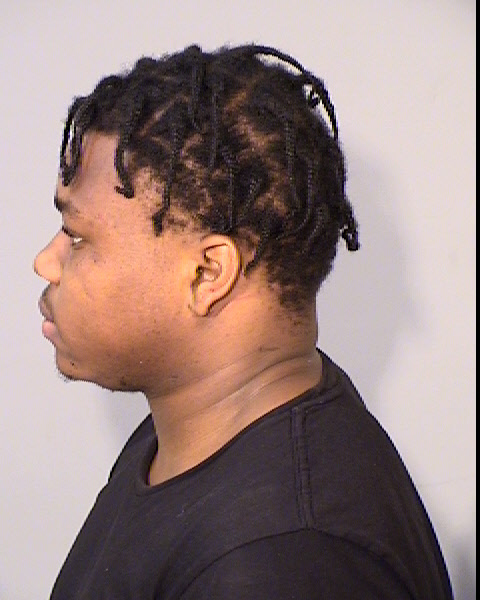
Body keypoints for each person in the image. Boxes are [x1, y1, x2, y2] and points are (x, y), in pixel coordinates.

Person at [34, 44, 453, 599]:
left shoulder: (285, 560)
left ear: (209, 273)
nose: (46, 262)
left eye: (77, 237)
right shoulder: (191, 433)